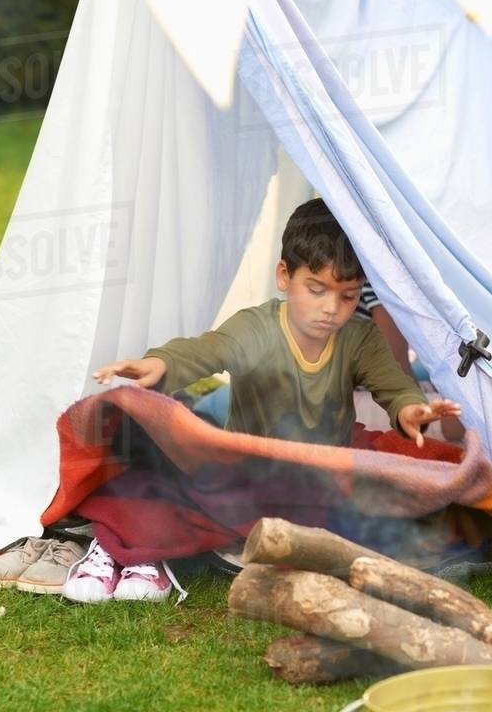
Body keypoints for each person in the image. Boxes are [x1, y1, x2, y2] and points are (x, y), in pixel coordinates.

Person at [66, 198, 461, 604]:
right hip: (247, 477)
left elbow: (394, 386)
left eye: (347, 296)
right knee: (159, 480)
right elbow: (206, 350)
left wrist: (411, 409)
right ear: (284, 276)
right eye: (317, 289)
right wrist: (159, 363)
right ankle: (131, 552)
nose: (331, 309)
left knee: (423, 479)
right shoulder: (255, 328)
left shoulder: (359, 339)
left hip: (324, 478)